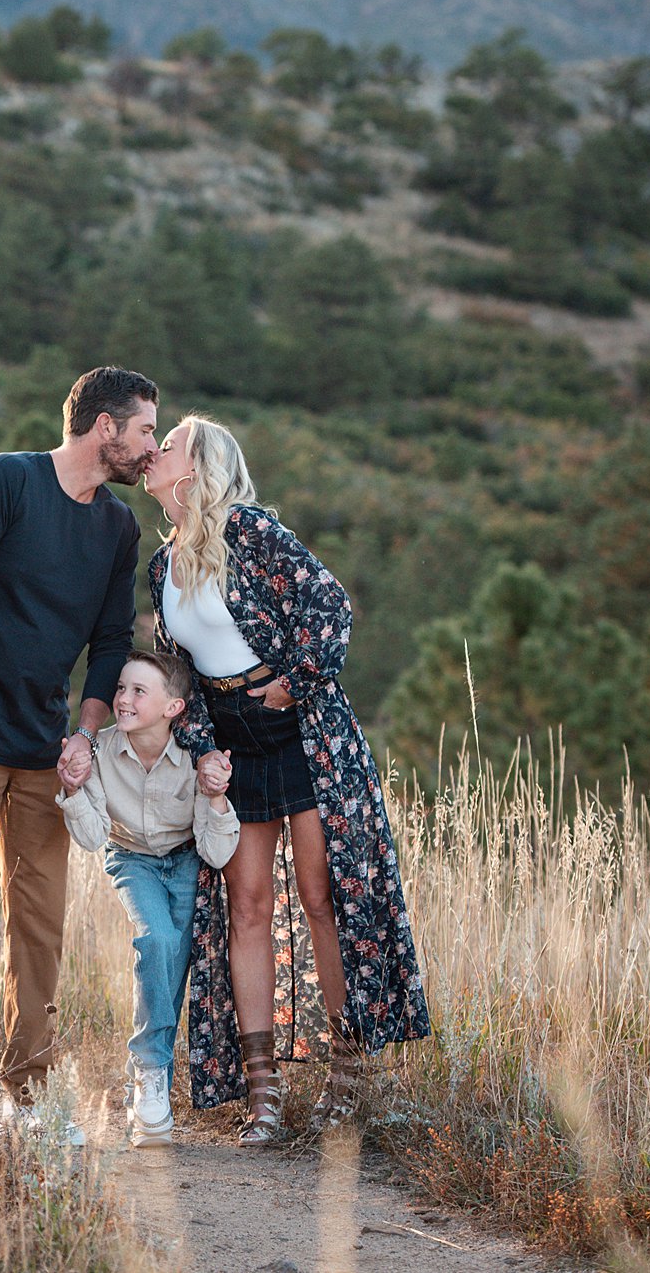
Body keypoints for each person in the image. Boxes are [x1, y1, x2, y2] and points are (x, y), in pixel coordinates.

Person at [0, 366, 201, 1120]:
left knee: (39, 922)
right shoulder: (5, 482)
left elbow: (110, 639)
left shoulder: (116, 527)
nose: (149, 448)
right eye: (144, 431)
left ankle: (26, 1094)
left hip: (44, 749)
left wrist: (87, 733)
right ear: (105, 426)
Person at [141, 413, 430, 1145]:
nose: (151, 453)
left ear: (197, 463)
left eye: (165, 444)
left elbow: (331, 608)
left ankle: (348, 1074)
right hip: (234, 748)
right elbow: (181, 675)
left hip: (300, 732)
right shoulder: (161, 564)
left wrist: (294, 683)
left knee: (321, 894)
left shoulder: (252, 533)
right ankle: (262, 1093)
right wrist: (203, 744)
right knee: (246, 907)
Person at [58, 650, 240, 1147]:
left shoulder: (196, 761)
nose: (122, 698)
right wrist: (74, 790)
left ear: (173, 708)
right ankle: (151, 1072)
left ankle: (151, 1074)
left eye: (139, 691)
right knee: (156, 938)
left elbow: (219, 852)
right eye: (121, 688)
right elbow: (94, 839)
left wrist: (218, 797)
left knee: (174, 959)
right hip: (130, 858)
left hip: (185, 860)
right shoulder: (97, 754)